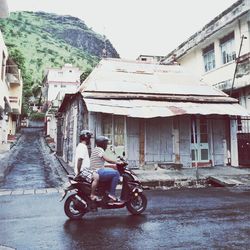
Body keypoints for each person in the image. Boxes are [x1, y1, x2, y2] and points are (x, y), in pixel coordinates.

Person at [90, 135, 121, 203]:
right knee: (116, 173)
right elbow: (106, 159)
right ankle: (111, 194)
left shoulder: (95, 149)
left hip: (96, 170)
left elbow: (101, 162)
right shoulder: (99, 149)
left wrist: (112, 165)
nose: (107, 145)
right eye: (106, 144)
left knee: (112, 171)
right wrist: (117, 161)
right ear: (102, 144)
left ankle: (106, 191)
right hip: (98, 171)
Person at [74, 129, 100, 202]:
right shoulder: (82, 147)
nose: (90, 140)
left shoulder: (81, 146)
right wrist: (79, 172)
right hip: (83, 170)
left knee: (99, 173)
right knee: (96, 177)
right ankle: (92, 195)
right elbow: (80, 159)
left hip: (85, 170)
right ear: (86, 138)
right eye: (89, 138)